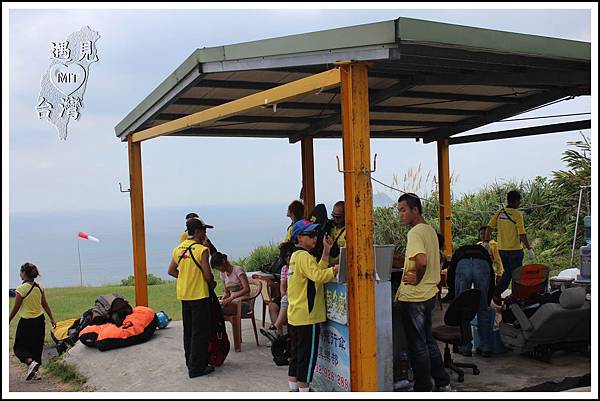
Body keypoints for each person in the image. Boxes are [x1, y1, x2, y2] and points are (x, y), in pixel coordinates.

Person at [395, 193, 451, 392]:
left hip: (415, 297)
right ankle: (442, 381)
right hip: (429, 295)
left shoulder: (415, 233)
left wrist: (417, 278)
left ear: (415, 210)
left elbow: (421, 261)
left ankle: (423, 387)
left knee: (417, 346)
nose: (400, 215)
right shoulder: (430, 231)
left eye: (403, 210)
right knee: (428, 341)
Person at [287, 219, 339, 392]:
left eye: (315, 234)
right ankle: (305, 391)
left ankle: (293, 389)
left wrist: (326, 251)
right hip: (308, 317)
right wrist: (335, 270)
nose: (314, 237)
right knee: (307, 358)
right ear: (299, 238)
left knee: (296, 356)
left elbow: (314, 273)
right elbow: (319, 276)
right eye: (309, 235)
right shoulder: (305, 257)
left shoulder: (296, 257)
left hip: (295, 316)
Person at [168, 217, 217, 378]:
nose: (205, 233)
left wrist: (185, 278)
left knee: (188, 331)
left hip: (184, 295)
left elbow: (171, 271)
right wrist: (211, 283)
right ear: (196, 231)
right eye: (203, 230)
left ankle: (190, 361)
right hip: (200, 296)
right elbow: (208, 275)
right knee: (200, 333)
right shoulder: (202, 250)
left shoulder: (178, 249)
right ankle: (197, 367)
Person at [9, 262, 57, 381]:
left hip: (26, 322)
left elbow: (16, 308)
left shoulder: (20, 289)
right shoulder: (39, 287)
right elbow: (45, 305)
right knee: (36, 347)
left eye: (21, 271)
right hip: (40, 321)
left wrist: (8, 320)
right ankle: (37, 372)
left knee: (19, 347)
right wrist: (52, 319)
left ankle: (30, 363)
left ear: (24, 273)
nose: (19, 274)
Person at [485, 190, 534, 301]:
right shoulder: (517, 214)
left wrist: (487, 242)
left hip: (502, 249)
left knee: (508, 273)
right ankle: (513, 296)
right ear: (517, 201)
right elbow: (522, 234)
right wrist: (529, 248)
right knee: (517, 275)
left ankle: (498, 293)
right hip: (515, 250)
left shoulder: (500, 212)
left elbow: (489, 228)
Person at [451, 244, 496, 358]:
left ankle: (465, 347)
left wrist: (453, 296)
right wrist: (488, 299)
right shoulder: (483, 252)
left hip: (463, 265)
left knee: (462, 307)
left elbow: (451, 272)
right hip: (482, 266)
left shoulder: (459, 251)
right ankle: (485, 347)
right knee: (483, 308)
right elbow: (491, 273)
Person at [260, 241, 295, 342]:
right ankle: (279, 335)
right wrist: (284, 295)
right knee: (272, 305)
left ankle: (275, 329)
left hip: (296, 295)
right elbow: (282, 287)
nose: (288, 258)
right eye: (286, 256)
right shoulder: (284, 269)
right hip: (287, 295)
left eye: (290, 255)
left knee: (285, 301)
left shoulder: (298, 266)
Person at [328, 201, 346, 267]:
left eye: (338, 217)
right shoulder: (330, 227)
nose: (335, 219)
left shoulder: (349, 232)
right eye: (333, 216)